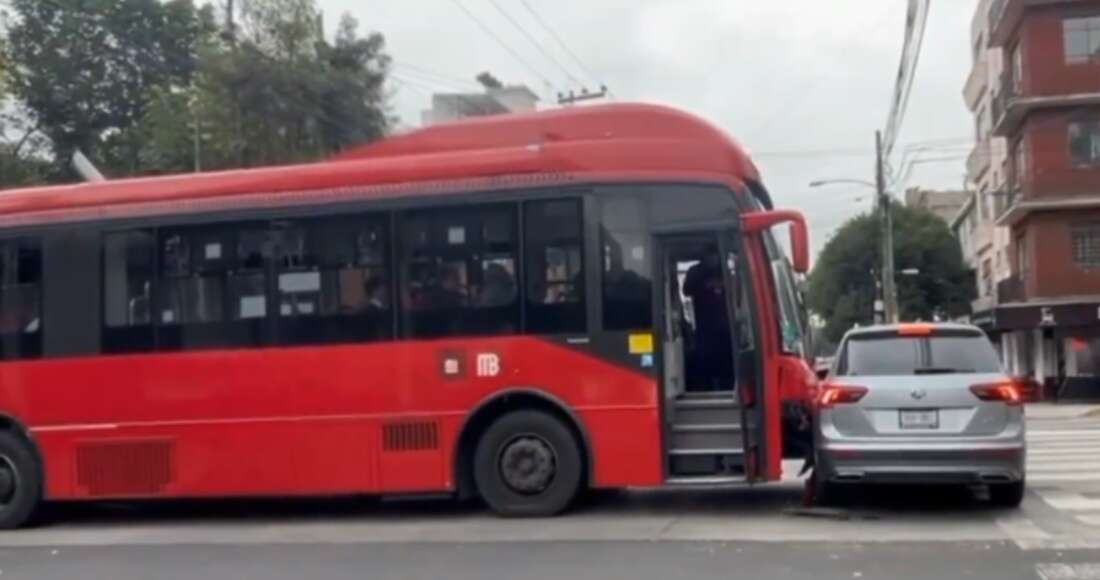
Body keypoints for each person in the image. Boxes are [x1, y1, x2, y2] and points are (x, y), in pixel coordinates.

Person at [683, 245, 735, 391]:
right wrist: (703, 284)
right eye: (710, 255)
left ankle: (727, 388)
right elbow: (686, 291)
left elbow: (736, 292)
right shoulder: (695, 272)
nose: (713, 259)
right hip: (704, 327)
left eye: (716, 256)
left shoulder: (725, 272)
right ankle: (707, 388)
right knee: (705, 363)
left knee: (726, 363)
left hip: (726, 327)